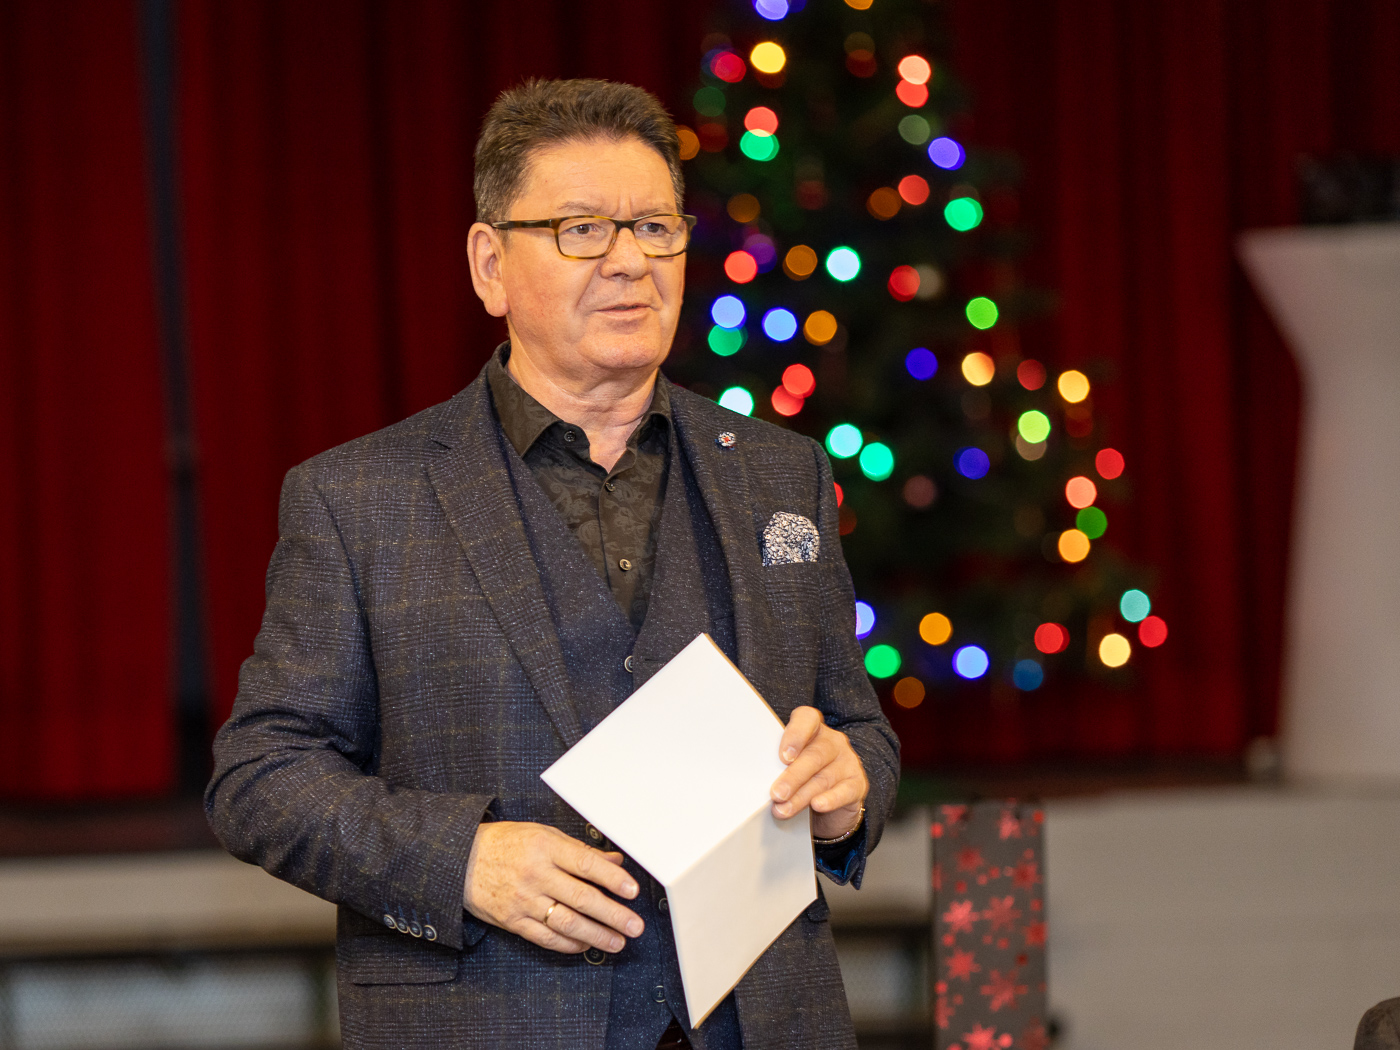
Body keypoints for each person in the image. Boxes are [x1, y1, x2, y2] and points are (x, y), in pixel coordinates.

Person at [206, 78, 899, 1050]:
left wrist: (846, 791)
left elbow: (856, 727)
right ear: (490, 265)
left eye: (654, 228)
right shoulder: (357, 500)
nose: (630, 261)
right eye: (581, 230)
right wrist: (461, 861)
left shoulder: (781, 475)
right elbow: (259, 777)